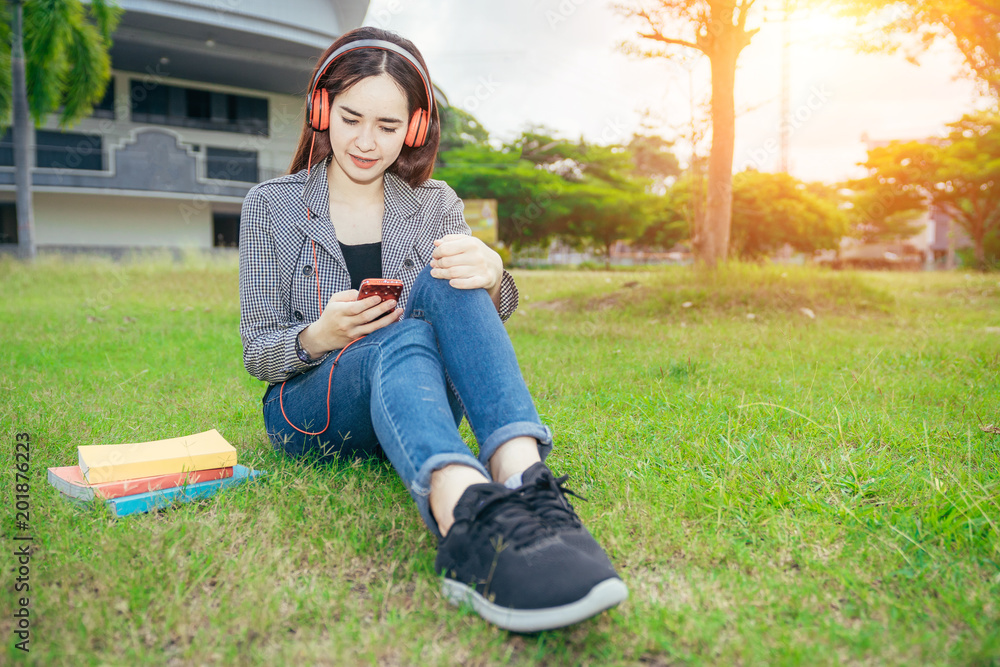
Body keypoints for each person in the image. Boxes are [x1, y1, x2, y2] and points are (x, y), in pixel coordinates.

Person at [238, 26, 627, 633]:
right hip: (312, 410)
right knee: (401, 334)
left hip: (418, 396)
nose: (367, 142)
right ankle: (464, 513)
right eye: (350, 118)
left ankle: (522, 476)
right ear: (321, 110)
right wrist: (320, 335)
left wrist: (495, 272)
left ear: (415, 128)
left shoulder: (434, 202)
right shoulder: (271, 205)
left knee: (449, 272)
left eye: (388, 127)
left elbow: (481, 313)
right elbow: (259, 352)